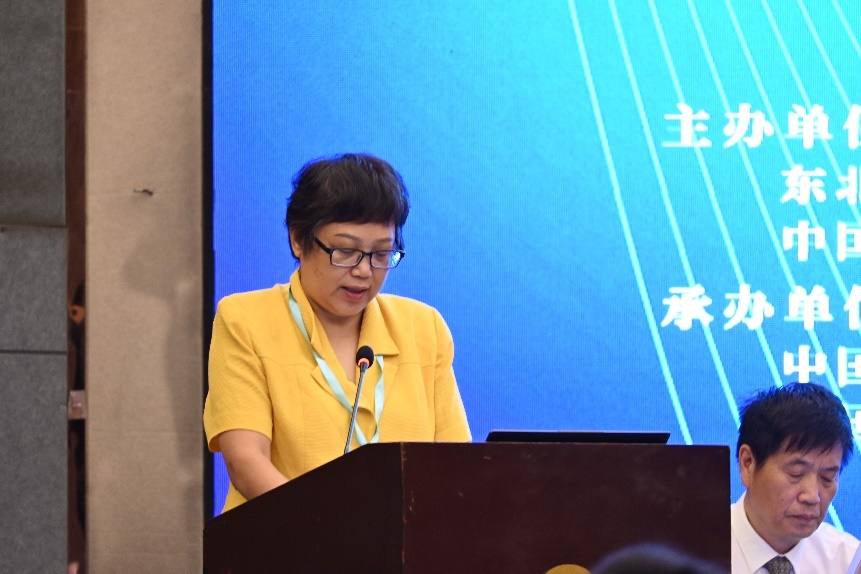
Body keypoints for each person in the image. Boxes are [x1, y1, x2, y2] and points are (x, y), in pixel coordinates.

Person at [204, 153, 471, 513]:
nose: (364, 271)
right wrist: (331, 529)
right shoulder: (246, 320)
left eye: (381, 253)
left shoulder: (424, 328)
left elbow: (454, 466)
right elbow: (246, 462)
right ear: (298, 239)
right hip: (291, 538)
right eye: (346, 251)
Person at [732, 382, 858, 573]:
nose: (812, 496)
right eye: (795, 474)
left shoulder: (848, 561)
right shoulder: (692, 549)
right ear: (748, 463)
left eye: (827, 477)